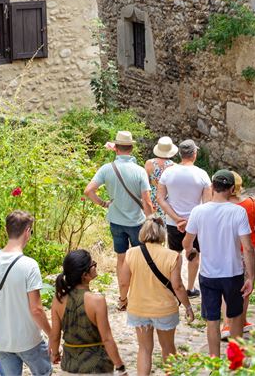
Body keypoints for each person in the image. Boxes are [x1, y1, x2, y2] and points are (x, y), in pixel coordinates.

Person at [183, 169, 255, 357]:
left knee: (213, 321)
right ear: (232, 189)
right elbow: (248, 248)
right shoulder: (238, 212)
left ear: (212, 187)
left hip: (208, 275)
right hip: (233, 274)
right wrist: (251, 276)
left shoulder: (198, 211)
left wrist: (191, 251)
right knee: (236, 317)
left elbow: (186, 243)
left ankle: (214, 361)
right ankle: (235, 360)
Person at [0, 210, 52, 376]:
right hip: (29, 340)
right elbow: (37, 310)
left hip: (1, 341)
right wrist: (52, 335)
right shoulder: (29, 266)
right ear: (27, 231)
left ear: (6, 230)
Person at [84, 130, 153, 308]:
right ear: (131, 148)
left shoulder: (107, 169)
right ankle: (139, 298)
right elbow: (146, 201)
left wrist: (103, 203)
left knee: (121, 259)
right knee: (139, 259)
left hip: (116, 220)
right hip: (136, 222)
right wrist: (152, 220)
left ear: (116, 149)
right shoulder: (139, 171)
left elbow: (88, 191)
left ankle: (122, 300)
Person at [118, 215, 195, 375]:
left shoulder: (131, 253)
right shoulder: (172, 256)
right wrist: (187, 306)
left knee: (144, 349)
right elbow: (178, 286)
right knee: (168, 348)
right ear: (162, 234)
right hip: (164, 310)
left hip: (138, 309)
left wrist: (123, 300)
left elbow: (124, 282)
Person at [49, 250, 126, 375]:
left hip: (69, 366)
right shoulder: (97, 301)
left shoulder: (58, 300)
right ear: (85, 275)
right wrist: (120, 367)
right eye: (93, 265)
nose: (95, 266)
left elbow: (54, 335)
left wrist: (55, 354)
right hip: (97, 367)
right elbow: (107, 339)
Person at [157, 139, 211, 298]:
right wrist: (189, 221)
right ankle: (190, 287)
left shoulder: (168, 173)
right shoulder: (202, 174)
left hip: (173, 222)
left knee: (174, 254)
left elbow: (160, 198)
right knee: (193, 253)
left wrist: (176, 218)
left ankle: (175, 285)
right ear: (194, 154)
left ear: (180, 154)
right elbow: (207, 203)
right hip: (195, 224)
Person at [221, 171, 255, 339]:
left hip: (228, 251)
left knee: (227, 287)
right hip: (250, 250)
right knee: (246, 288)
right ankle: (241, 321)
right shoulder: (253, 204)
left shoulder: (222, 207)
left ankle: (227, 323)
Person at [144, 136, 177, 216]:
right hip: (167, 200)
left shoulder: (149, 163)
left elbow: (145, 184)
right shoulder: (174, 166)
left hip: (152, 199)